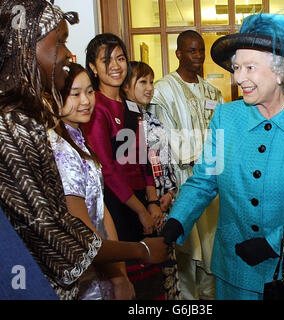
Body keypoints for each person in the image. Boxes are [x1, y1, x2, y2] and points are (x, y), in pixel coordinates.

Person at [161, 13, 284, 300]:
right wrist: (176, 220)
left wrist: (274, 245)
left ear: (280, 71)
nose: (238, 77)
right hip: (235, 270)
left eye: (249, 67)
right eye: (236, 67)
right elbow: (205, 180)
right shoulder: (225, 116)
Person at [0, 0, 168, 300]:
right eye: (60, 41)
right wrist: (140, 250)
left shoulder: (29, 120)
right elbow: (56, 238)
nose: (67, 52)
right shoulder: (12, 124)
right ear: (26, 47)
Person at [83, 34, 165, 300]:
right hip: (116, 205)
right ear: (93, 68)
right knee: (128, 284)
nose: (116, 65)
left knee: (152, 285)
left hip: (141, 202)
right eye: (106, 60)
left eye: (120, 58)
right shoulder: (95, 106)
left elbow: (142, 156)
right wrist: (141, 209)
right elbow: (106, 168)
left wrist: (152, 202)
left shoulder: (130, 104)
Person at [48, 62, 137, 300]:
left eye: (89, 92)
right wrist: (141, 253)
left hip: (101, 261)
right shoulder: (60, 149)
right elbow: (81, 233)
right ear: (53, 98)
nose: (86, 101)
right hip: (84, 270)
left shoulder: (78, 139)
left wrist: (120, 274)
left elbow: (100, 206)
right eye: (75, 94)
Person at [150, 30, 225, 300]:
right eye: (192, 51)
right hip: (182, 181)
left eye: (201, 51)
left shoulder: (213, 91)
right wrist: (208, 150)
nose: (198, 56)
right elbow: (162, 138)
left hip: (213, 182)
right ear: (178, 53)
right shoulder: (162, 90)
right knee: (186, 250)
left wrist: (214, 153)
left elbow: (223, 136)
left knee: (211, 249)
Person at [123, 61, 181, 300]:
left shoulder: (152, 119)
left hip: (163, 206)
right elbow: (128, 171)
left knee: (167, 274)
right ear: (126, 86)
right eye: (142, 82)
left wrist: (170, 193)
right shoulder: (124, 121)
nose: (149, 88)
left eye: (151, 82)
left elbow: (165, 164)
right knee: (148, 279)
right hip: (143, 210)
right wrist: (152, 202)